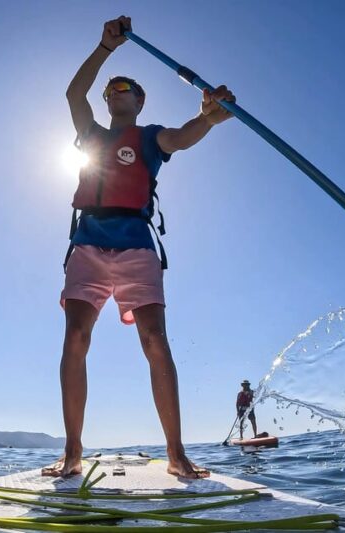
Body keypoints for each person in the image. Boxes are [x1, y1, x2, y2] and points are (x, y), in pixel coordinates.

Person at [46, 16, 235, 479]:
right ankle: (73, 451)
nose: (114, 89)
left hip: (137, 250)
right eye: (110, 87)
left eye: (124, 85)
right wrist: (105, 49)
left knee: (155, 341)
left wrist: (210, 116)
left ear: (139, 99)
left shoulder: (151, 137)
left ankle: (175, 453)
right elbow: (74, 94)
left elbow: (187, 135)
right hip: (88, 244)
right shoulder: (92, 135)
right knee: (76, 338)